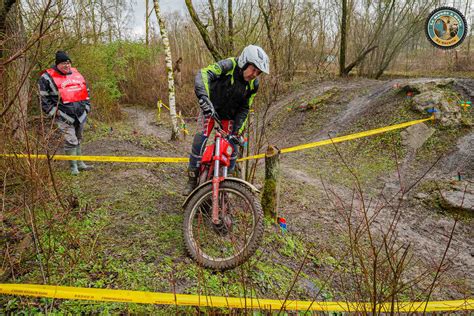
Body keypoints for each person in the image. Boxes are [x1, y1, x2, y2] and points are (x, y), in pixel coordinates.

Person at [185, 45, 270, 195]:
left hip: (229, 116)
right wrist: (203, 97)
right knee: (201, 139)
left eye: (258, 72)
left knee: (232, 149)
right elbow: (204, 74)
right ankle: (192, 179)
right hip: (210, 109)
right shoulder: (228, 65)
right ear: (244, 62)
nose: (255, 74)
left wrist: (237, 131)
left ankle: (226, 187)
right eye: (253, 69)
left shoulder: (253, 84)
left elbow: (245, 108)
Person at [38, 51, 93, 175]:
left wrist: (87, 107)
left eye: (68, 63)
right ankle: (73, 167)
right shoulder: (46, 77)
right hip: (62, 115)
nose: (66, 66)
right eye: (63, 63)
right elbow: (43, 98)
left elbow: (86, 91)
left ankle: (80, 163)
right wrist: (53, 112)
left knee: (78, 138)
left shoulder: (76, 74)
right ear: (57, 64)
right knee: (71, 140)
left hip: (80, 114)